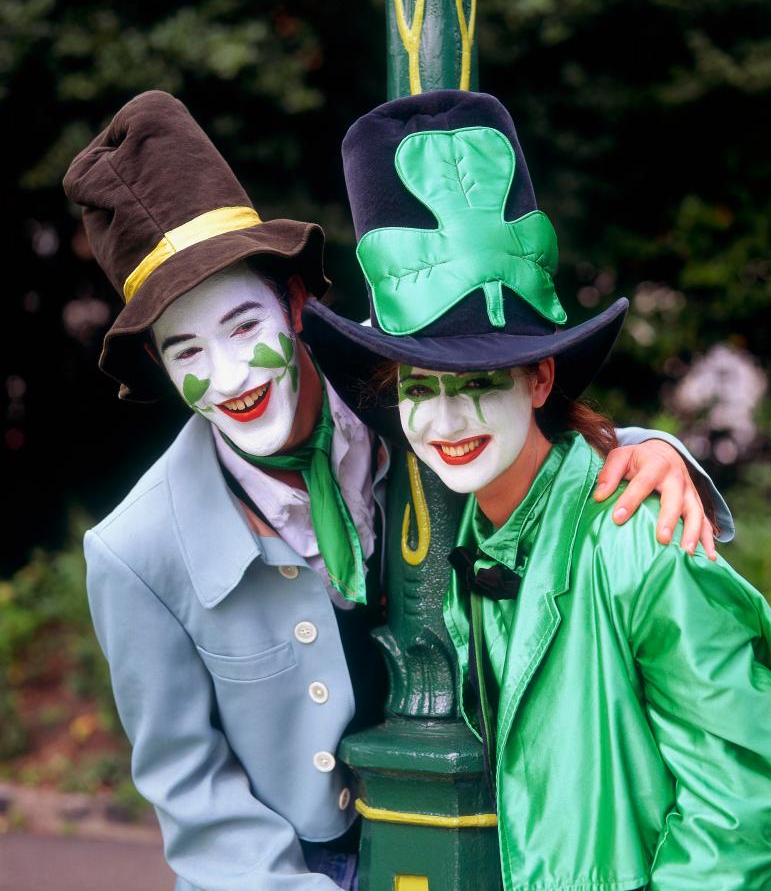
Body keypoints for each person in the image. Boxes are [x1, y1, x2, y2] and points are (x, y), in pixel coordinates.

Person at [65, 90, 731, 891]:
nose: (232, 376)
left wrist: (646, 448)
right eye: (186, 352)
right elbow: (194, 797)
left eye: (244, 327)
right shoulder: (136, 552)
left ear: (297, 304)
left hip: (491, 835)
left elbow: (520, 428)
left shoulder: (407, 405)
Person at [302, 90, 771, 890]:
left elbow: (741, 799)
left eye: (478, 381)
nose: (445, 419)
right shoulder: (466, 537)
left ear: (539, 376)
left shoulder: (640, 535)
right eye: (419, 387)